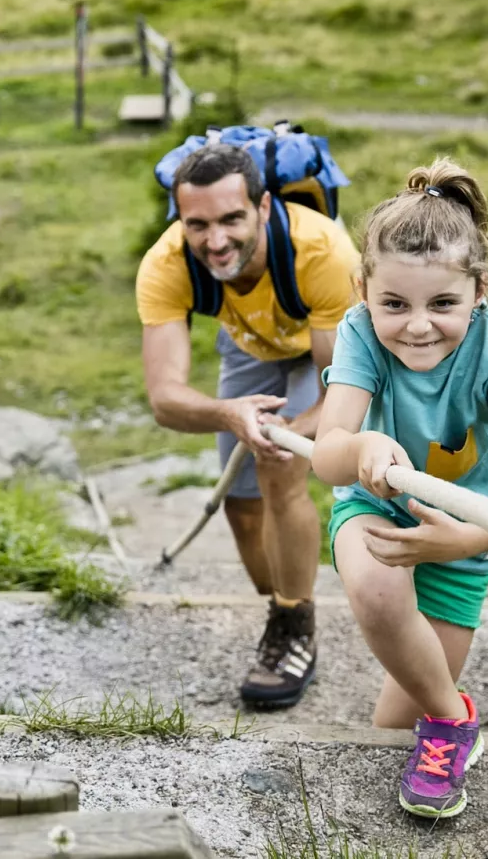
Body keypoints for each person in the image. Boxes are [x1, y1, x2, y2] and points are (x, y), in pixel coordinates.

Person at [309, 158, 488, 819]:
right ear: (364, 288)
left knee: (403, 713)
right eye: (394, 303)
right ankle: (458, 725)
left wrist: (468, 538)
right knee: (375, 591)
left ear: (478, 291)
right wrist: (363, 445)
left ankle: (437, 731)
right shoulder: (360, 332)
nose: (418, 325)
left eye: (443, 304)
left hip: (471, 531)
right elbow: (327, 456)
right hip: (380, 503)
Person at [136, 144, 360, 709]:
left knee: (279, 464)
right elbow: (165, 398)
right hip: (248, 347)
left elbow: (342, 393)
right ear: (180, 220)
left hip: (321, 352)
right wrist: (229, 413)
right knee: (241, 505)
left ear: (262, 206)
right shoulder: (166, 264)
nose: (215, 241)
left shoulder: (322, 251)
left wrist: (289, 432)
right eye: (198, 224)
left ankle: (293, 627)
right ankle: (280, 600)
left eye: (232, 219)